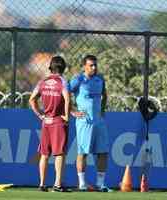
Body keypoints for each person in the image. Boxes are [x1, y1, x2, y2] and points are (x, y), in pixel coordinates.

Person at [68, 55, 111, 192]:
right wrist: (72, 111)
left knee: (103, 152)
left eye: (95, 65)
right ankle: (81, 184)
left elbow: (105, 95)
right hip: (84, 122)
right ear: (84, 66)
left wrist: (102, 111)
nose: (94, 68)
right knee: (83, 153)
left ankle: (100, 184)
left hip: (99, 122)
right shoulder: (78, 80)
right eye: (91, 65)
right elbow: (65, 94)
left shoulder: (100, 79)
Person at [29, 56, 70, 192]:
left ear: (50, 68)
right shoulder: (62, 82)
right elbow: (67, 98)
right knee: (59, 154)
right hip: (58, 121)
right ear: (63, 68)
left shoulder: (43, 81)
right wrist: (66, 116)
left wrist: (40, 115)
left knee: (45, 154)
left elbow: (32, 99)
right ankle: (57, 184)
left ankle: (42, 184)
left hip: (46, 121)